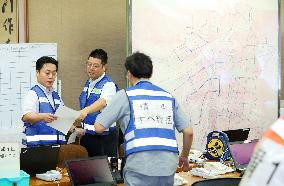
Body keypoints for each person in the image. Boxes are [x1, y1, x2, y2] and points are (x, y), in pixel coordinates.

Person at [94, 52, 194, 186]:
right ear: (150, 73)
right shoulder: (168, 97)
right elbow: (189, 132)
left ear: (129, 73)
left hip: (139, 165)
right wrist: (184, 156)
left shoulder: (125, 95)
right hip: (167, 165)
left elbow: (99, 127)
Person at [77, 48, 119, 157]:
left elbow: (103, 102)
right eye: (89, 64)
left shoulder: (108, 84)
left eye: (95, 66)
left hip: (103, 138)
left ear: (104, 67)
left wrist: (85, 111)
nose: (91, 68)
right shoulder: (89, 83)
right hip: (87, 135)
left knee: (103, 172)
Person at [22, 56, 67, 147]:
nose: (51, 77)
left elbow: (62, 120)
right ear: (37, 73)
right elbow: (26, 116)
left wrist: (75, 129)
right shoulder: (33, 93)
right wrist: (42, 116)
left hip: (57, 146)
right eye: (47, 73)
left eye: (54, 74)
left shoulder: (56, 96)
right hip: (37, 148)